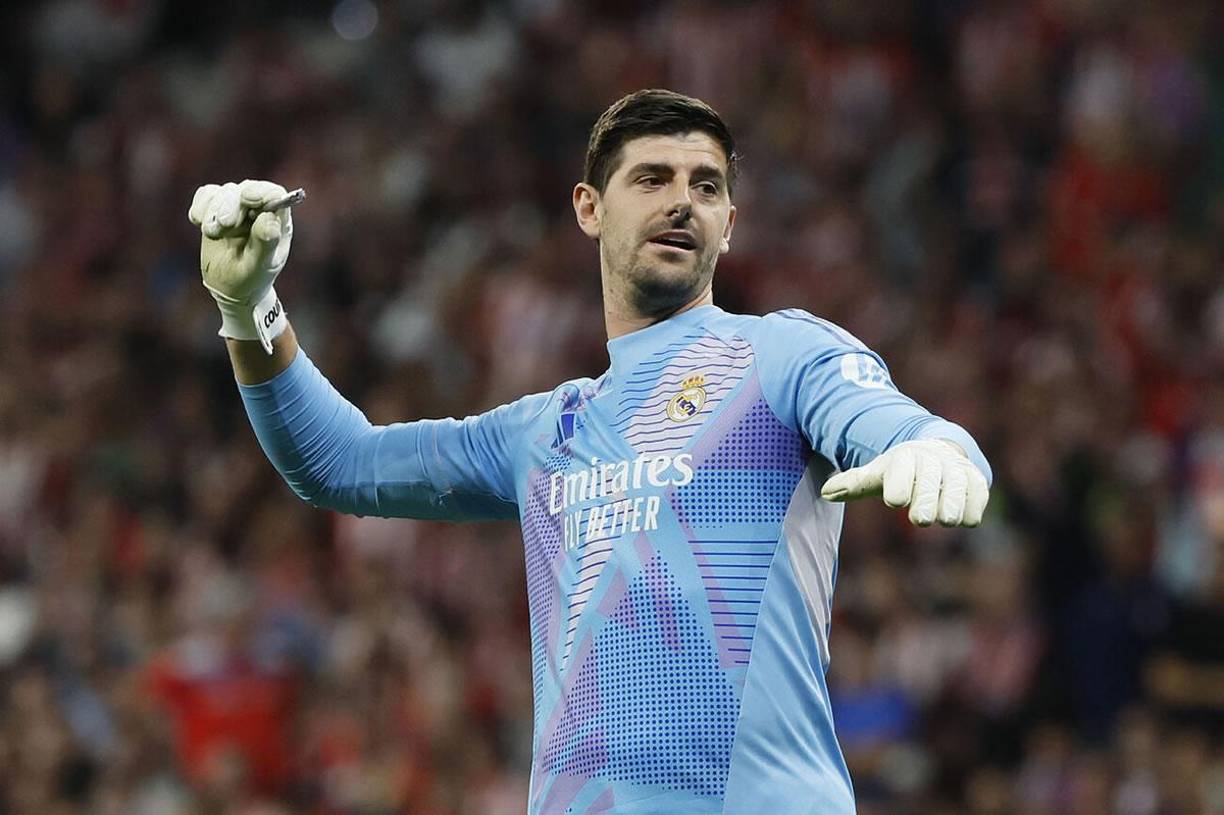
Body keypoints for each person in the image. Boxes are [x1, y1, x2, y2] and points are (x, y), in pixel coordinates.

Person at [188, 89, 991, 814]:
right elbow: (340, 463)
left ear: (731, 225)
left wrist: (942, 448)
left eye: (706, 186)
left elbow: (891, 419)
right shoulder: (546, 430)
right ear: (588, 207)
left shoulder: (780, 356)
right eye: (652, 179)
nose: (683, 202)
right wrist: (248, 304)